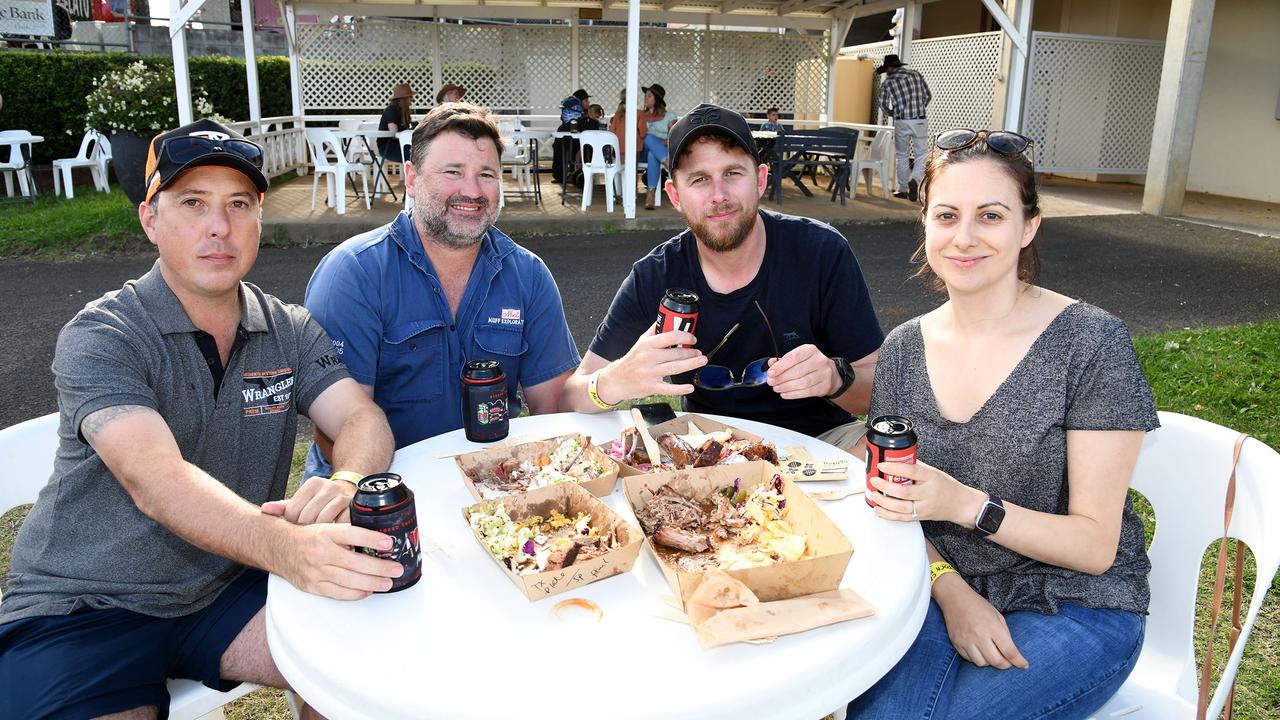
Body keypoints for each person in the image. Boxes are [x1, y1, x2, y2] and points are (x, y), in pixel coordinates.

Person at [0, 120, 402, 720]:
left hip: (224, 585)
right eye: (193, 203)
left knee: (363, 675)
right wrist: (286, 548)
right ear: (150, 218)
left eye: (239, 205)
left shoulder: (286, 327)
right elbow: (155, 482)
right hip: (87, 605)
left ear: (259, 220)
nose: (220, 226)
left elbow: (362, 419)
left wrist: (346, 481)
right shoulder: (103, 333)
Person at [847, 129, 1158, 719]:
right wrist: (952, 592)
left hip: (1076, 603)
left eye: (991, 215)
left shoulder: (1090, 344)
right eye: (947, 215)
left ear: (1029, 226)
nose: (964, 238)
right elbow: (891, 505)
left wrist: (965, 504)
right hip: (937, 589)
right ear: (925, 225)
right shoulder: (904, 348)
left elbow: (1095, 546)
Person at [560, 104, 882, 451]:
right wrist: (613, 381)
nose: (719, 195)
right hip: (708, 448)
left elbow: (878, 389)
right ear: (675, 195)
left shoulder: (821, 251)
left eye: (732, 173)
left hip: (821, 439)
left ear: (760, 179)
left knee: (894, 469)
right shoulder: (656, 274)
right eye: (699, 179)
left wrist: (835, 378)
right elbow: (570, 396)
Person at [302, 103, 581, 478]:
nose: (472, 190)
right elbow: (335, 428)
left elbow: (555, 411)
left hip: (494, 488)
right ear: (412, 179)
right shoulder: (354, 274)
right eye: (453, 172)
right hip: (379, 491)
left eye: (486, 174)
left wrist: (604, 386)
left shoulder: (528, 275)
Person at [876, 54, 931, 202]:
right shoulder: (916, 75)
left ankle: (902, 189)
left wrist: (893, 113)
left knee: (902, 155)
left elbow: (883, 104)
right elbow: (927, 96)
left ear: (889, 67)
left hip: (901, 121)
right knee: (922, 153)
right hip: (919, 120)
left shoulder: (888, 83)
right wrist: (918, 109)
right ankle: (916, 180)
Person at [641, 83, 678, 210]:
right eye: (645, 96)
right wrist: (657, 141)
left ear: (657, 99)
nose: (645, 99)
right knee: (647, 137)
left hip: (659, 152)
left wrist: (665, 141)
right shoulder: (641, 116)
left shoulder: (670, 116)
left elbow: (674, 136)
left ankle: (650, 196)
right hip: (642, 151)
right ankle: (669, 165)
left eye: (649, 96)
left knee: (653, 155)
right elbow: (638, 136)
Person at [553, 88, 592, 184]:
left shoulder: (586, 114)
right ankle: (578, 175)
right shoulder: (582, 117)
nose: (588, 102)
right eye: (586, 100)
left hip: (574, 144)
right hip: (576, 144)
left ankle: (562, 176)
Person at [608, 88, 647, 165]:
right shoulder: (639, 114)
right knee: (632, 173)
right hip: (634, 148)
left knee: (622, 171)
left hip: (619, 148)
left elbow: (612, 131)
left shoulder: (618, 114)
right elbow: (643, 133)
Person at [378, 82, 414, 163]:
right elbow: (394, 134)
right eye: (410, 96)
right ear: (404, 98)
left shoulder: (403, 112)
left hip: (400, 145)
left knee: (422, 152)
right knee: (417, 155)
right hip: (388, 147)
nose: (412, 99)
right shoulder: (392, 110)